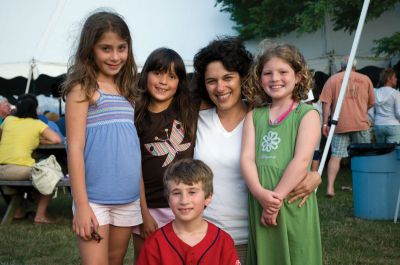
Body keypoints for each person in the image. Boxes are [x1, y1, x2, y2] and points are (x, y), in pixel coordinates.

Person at [192, 37, 322, 264]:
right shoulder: (194, 120)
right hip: (208, 235)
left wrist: (314, 175)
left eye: (228, 77)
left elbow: (298, 156)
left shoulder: (262, 115)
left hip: (255, 231)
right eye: (211, 81)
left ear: (243, 78)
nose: (220, 87)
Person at [62, 11, 142, 264]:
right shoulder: (82, 89)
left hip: (128, 198)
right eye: (106, 48)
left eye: (121, 48)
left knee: (115, 260)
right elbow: (74, 148)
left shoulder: (127, 90)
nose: (115, 56)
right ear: (90, 49)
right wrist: (82, 205)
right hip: (94, 199)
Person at [241, 43, 322, 264]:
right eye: (268, 73)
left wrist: (275, 201)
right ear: (260, 78)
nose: (275, 78)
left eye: (283, 72)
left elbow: (302, 159)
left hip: (291, 200)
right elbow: (247, 159)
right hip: (261, 200)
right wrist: (260, 194)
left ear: (298, 76)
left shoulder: (307, 114)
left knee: (297, 253)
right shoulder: (254, 116)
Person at [132, 47, 198, 263]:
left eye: (171, 76)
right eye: (157, 73)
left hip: (184, 204)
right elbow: (134, 168)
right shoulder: (136, 115)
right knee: (146, 258)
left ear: (180, 81)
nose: (163, 81)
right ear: (146, 75)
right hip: (149, 205)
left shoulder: (189, 109)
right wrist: (143, 213)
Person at [137, 158, 240, 265]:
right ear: (168, 198)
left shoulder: (223, 241)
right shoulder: (155, 243)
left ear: (208, 197)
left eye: (192, 192)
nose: (184, 201)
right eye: (176, 193)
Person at [0, 94, 61, 223]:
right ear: (34, 109)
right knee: (51, 175)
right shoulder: (36, 123)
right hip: (17, 171)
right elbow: (56, 139)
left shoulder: (8, 120)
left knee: (32, 175)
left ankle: (18, 210)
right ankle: (40, 215)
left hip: (1, 169)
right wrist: (39, 140)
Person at [320, 56, 375, 197]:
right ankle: (365, 185)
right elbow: (371, 103)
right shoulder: (365, 79)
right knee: (364, 156)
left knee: (336, 156)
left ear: (342, 65)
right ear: (355, 66)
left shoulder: (333, 79)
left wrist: (325, 123)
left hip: (340, 123)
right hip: (361, 123)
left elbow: (326, 102)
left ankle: (330, 188)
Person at [369, 68, 400, 143]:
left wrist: (375, 120)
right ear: (389, 79)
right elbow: (398, 113)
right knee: (393, 151)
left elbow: (370, 111)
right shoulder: (396, 93)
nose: (396, 79)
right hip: (393, 125)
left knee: (381, 151)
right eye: (394, 77)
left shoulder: (375, 92)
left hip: (379, 125)